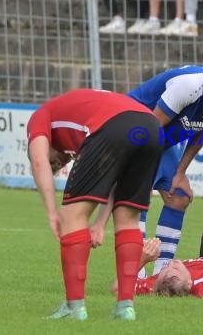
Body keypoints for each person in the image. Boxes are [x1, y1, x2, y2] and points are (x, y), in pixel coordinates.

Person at [27, 89, 163, 320]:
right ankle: (125, 308)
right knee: (128, 218)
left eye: (55, 163)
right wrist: (100, 223)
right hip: (152, 128)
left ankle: (74, 307)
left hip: (114, 125)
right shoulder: (83, 114)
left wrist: (52, 212)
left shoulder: (41, 116)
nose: (56, 165)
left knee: (72, 216)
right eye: (56, 167)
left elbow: (38, 162)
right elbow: (115, 182)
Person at [123, 66, 203, 276]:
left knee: (179, 197)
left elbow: (202, 132)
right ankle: (137, 273)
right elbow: (149, 130)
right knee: (139, 196)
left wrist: (180, 173)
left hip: (160, 140)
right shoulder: (188, 86)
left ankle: (161, 273)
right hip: (135, 132)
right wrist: (141, 173)